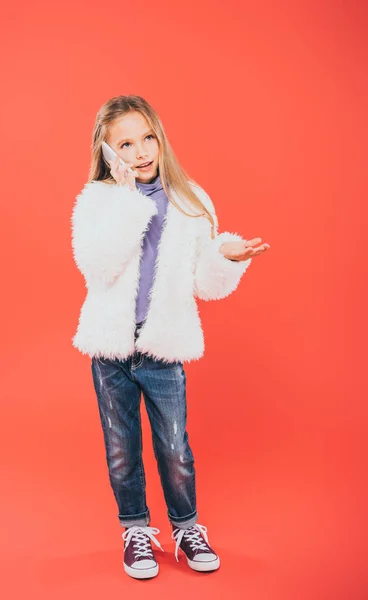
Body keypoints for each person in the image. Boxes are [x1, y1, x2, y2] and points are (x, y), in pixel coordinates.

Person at [71, 95, 270, 579]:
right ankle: (136, 530)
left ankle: (185, 527)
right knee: (121, 450)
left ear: (160, 138)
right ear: (107, 152)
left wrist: (229, 256)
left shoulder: (191, 200)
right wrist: (124, 202)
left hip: (162, 346)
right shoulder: (97, 201)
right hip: (112, 350)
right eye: (125, 143)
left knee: (174, 447)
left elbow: (203, 282)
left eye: (147, 138)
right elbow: (97, 267)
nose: (140, 152)